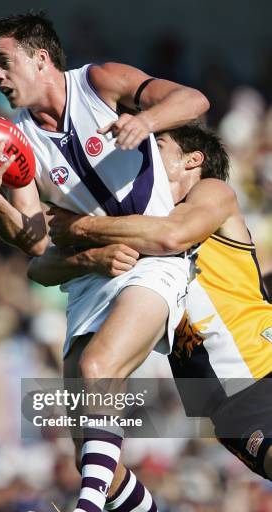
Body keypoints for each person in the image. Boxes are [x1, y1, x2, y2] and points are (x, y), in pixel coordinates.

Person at [0, 11, 208, 512]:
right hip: (93, 274)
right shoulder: (18, 136)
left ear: (41, 58)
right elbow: (31, 238)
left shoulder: (100, 82)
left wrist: (144, 119)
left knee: (99, 371)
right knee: (90, 448)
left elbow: (194, 100)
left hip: (154, 257)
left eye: (4, 60)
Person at [33, 123, 272, 482]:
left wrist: (82, 228)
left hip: (261, 366)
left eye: (156, 145)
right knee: (91, 460)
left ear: (193, 161)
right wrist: (88, 257)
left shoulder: (211, 191)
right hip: (224, 404)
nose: (142, 152)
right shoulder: (127, 225)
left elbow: (171, 235)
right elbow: (40, 267)